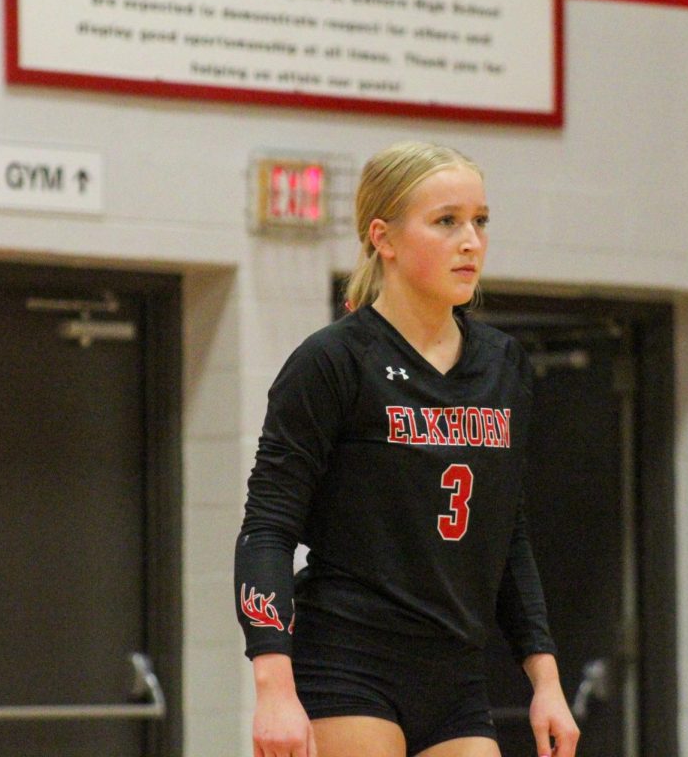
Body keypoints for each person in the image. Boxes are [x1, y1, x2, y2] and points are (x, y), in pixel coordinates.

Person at [234, 141, 580, 757]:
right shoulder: (334, 361)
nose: (470, 240)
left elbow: (509, 534)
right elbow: (267, 528)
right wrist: (273, 685)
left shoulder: (503, 364)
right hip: (348, 661)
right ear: (384, 239)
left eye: (480, 221)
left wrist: (546, 680)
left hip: (455, 672)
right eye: (446, 221)